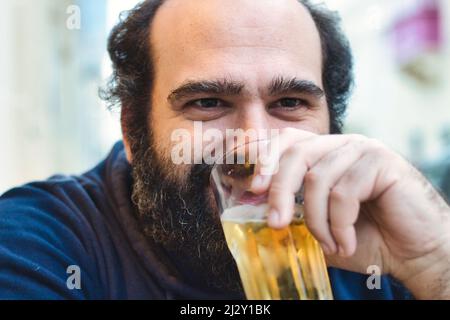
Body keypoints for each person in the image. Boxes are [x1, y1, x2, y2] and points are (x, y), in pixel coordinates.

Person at [0, 0, 448, 300]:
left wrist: (432, 261)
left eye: (289, 103)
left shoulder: (379, 244)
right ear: (134, 134)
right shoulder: (40, 244)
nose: (255, 145)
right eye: (208, 103)